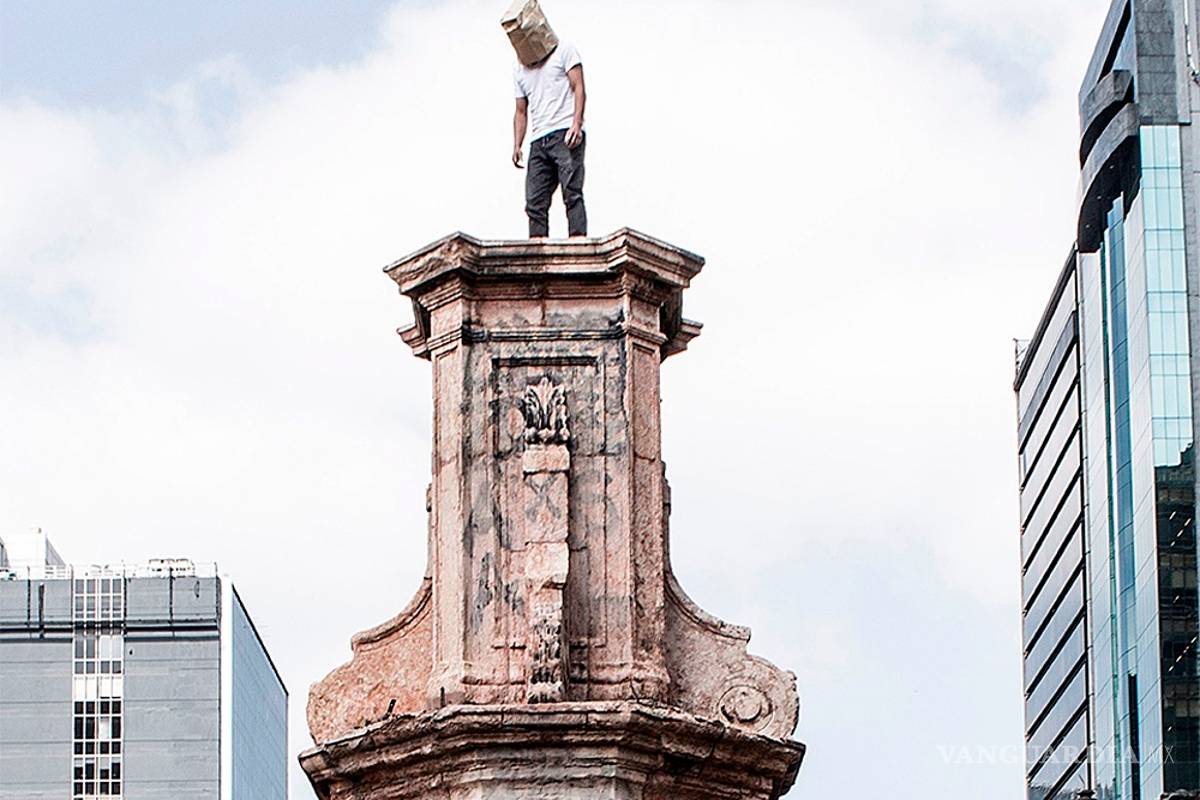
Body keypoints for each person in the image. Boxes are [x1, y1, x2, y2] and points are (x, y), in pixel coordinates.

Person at [504, 3, 587, 238]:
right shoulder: (519, 69)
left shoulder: (564, 50)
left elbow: (579, 87)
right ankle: (537, 249)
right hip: (538, 140)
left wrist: (576, 123)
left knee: (572, 192)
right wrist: (517, 144)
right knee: (534, 202)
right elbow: (521, 111)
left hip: (564, 131)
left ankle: (578, 243)